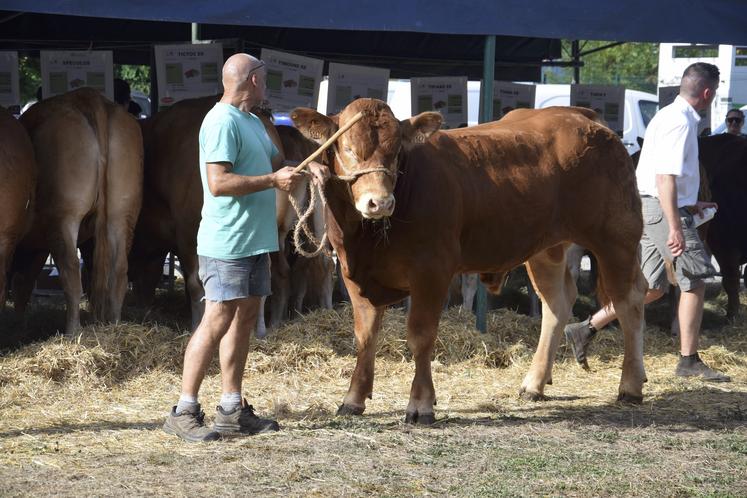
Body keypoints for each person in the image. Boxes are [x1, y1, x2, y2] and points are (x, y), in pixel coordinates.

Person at [163, 53, 329, 442]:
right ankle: (184, 410)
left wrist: (306, 167)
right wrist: (274, 179)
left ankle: (231, 408)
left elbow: (275, 163)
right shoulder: (220, 122)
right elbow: (219, 183)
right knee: (216, 320)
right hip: (228, 241)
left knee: (244, 319)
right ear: (253, 80)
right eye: (265, 79)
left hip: (255, 240)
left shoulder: (253, 122)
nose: (267, 85)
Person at [564, 62, 730, 382]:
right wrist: (677, 224)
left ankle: (584, 328)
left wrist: (690, 202)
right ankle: (689, 360)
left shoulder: (667, 117)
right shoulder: (680, 122)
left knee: (651, 287)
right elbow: (664, 177)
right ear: (708, 93)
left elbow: (662, 175)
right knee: (695, 280)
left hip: (652, 206)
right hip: (662, 209)